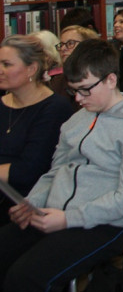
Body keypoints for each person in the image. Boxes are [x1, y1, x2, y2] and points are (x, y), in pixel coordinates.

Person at [0, 39, 123, 292]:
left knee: (27, 277)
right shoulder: (77, 120)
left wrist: (67, 219)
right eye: (74, 91)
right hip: (56, 212)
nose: (78, 98)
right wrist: (32, 203)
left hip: (108, 223)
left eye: (85, 90)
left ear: (110, 80)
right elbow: (56, 171)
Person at [0, 36, 74, 226]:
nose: (0, 70)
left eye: (6, 64)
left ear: (32, 69)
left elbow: (28, 171)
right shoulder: (1, 103)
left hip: (26, 203)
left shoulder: (55, 109)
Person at [54, 25, 100, 101]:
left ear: (87, 45)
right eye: (61, 44)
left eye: (70, 43)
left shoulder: (99, 78)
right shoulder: (58, 82)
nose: (63, 48)